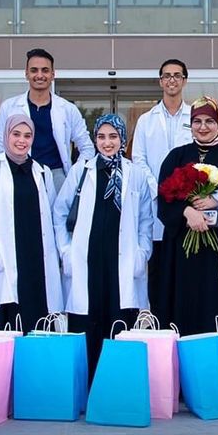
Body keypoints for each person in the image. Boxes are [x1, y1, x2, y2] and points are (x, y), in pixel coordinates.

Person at [150, 97, 218, 355]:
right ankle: (185, 372)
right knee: (185, 308)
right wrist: (187, 211)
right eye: (197, 121)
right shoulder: (176, 156)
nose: (203, 127)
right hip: (183, 254)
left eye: (209, 121)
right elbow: (163, 199)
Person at [54, 114, 153, 376]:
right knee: (88, 326)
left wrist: (142, 253)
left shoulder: (135, 174)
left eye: (113, 136)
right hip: (87, 260)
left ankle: (116, 386)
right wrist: (66, 251)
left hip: (122, 262)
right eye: (101, 136)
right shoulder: (81, 170)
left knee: (119, 325)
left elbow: (146, 219)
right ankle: (87, 386)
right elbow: (59, 213)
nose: (107, 143)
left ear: (122, 139)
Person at [0, 114, 64, 333]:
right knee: (9, 325)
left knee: (39, 323)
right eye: (16, 134)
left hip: (37, 260)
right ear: (6, 135)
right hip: (6, 257)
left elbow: (53, 215)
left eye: (27, 136)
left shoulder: (43, 172)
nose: (21, 140)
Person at [131, 58, 194, 312]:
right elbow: (138, 159)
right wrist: (159, 188)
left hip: (188, 205)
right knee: (158, 271)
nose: (172, 80)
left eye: (177, 75)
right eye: (167, 75)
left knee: (184, 269)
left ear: (184, 81)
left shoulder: (195, 117)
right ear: (160, 81)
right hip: (156, 202)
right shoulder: (146, 120)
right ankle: (159, 320)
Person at [0, 48, 92, 172]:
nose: (39, 75)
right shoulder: (8, 107)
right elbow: (0, 149)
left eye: (45, 70)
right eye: (34, 70)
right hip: (21, 172)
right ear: (26, 74)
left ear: (53, 75)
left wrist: (76, 175)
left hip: (57, 175)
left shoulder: (68, 109)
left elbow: (87, 147)